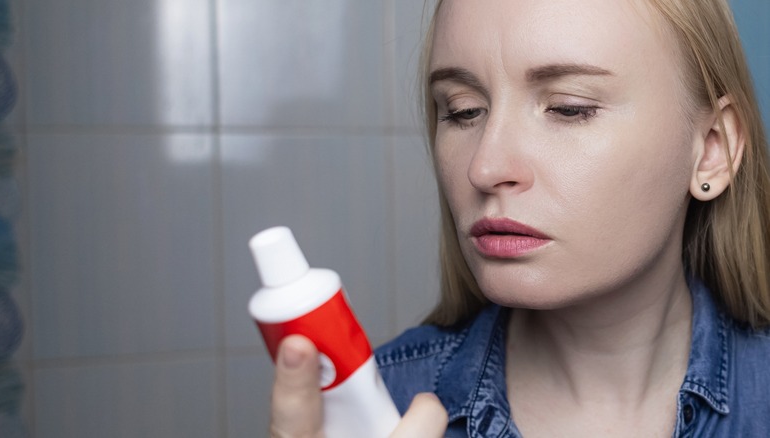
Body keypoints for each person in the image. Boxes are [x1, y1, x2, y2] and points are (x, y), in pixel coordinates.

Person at [269, 0, 770, 436]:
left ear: (710, 151)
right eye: (463, 111)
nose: (484, 167)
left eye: (568, 108)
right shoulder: (380, 411)